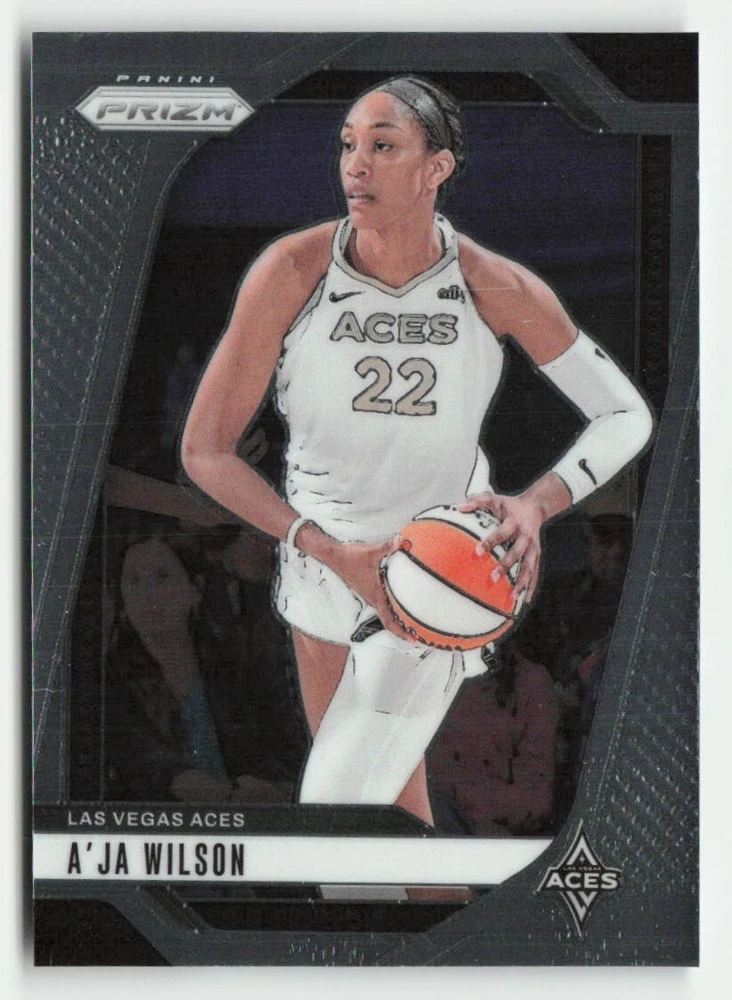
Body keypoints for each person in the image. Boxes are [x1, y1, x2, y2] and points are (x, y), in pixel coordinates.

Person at [181, 76, 653, 826]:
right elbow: (205, 451)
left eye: (383, 145)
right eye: (347, 145)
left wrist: (537, 503)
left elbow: (625, 414)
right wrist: (326, 550)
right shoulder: (292, 271)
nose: (355, 164)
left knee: (336, 819)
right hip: (320, 561)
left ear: (438, 167)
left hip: (437, 566)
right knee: (394, 824)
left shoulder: (491, 284)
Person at [105, 530, 296, 803]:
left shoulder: (236, 662)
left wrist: (273, 789)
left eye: (163, 577)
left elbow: (280, 748)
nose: (148, 594)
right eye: (134, 581)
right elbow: (140, 761)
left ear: (195, 589)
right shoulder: (111, 682)